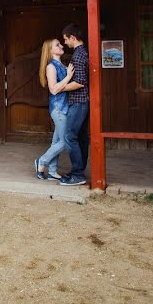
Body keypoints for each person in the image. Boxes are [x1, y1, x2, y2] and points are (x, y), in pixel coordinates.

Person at [33, 38, 74, 181]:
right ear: (50, 51)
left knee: (56, 142)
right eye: (57, 45)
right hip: (59, 108)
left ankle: (52, 171)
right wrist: (68, 77)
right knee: (65, 141)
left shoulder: (61, 65)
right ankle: (41, 162)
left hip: (63, 107)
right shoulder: (51, 67)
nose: (61, 46)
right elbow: (54, 89)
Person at [58, 23, 90, 186]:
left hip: (78, 102)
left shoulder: (78, 55)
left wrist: (59, 87)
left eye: (65, 39)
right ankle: (79, 172)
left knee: (70, 136)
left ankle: (78, 174)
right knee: (81, 138)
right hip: (82, 102)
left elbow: (80, 82)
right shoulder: (82, 53)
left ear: (73, 37)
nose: (65, 43)